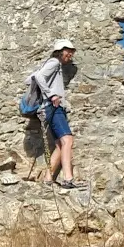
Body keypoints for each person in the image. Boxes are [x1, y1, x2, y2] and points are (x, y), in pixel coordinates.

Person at [31, 39, 78, 188]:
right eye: (67, 50)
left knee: (59, 144)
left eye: (72, 51)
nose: (70, 54)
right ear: (59, 51)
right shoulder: (54, 62)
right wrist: (52, 95)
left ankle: (48, 178)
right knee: (67, 140)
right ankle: (68, 178)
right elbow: (38, 77)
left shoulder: (50, 64)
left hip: (50, 107)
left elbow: (31, 78)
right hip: (54, 107)